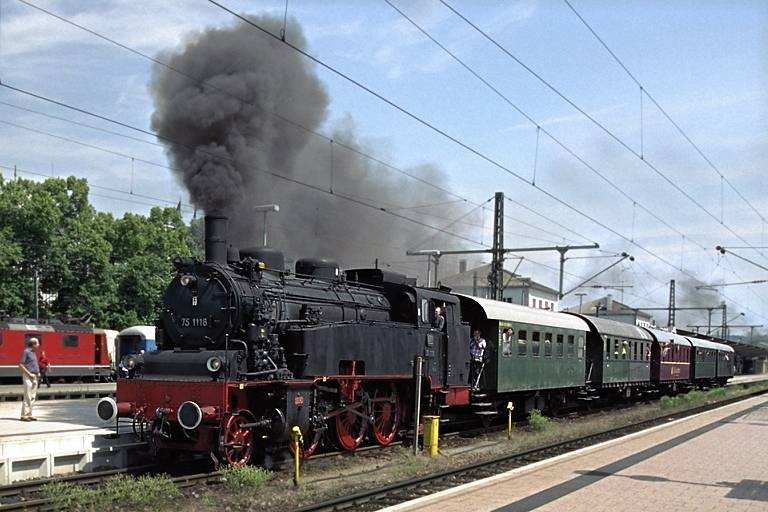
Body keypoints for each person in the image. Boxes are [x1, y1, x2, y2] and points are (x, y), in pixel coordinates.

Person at [18, 337, 40, 421]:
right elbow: (21, 364)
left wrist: (37, 372)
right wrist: (29, 374)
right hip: (28, 376)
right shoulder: (26, 352)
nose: (39, 345)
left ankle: (29, 414)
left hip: (35, 376)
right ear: (33, 344)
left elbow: (33, 364)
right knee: (27, 395)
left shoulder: (33, 353)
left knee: (33, 396)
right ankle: (24, 415)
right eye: (37, 343)